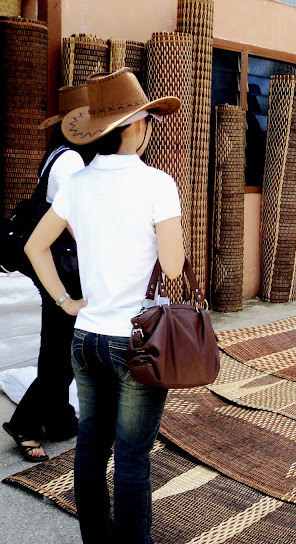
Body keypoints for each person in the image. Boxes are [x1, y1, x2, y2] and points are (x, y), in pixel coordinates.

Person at [24, 67, 184, 544]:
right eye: (148, 120)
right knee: (132, 458)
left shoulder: (77, 183)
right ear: (135, 126)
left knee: (91, 448)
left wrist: (66, 302)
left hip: (86, 335)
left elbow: (35, 247)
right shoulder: (158, 184)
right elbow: (173, 267)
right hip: (137, 342)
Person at [2, 84, 96, 462]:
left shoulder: (58, 155)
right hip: (61, 268)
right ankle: (25, 424)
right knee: (61, 352)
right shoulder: (70, 161)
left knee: (59, 346)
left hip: (57, 265)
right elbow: (75, 221)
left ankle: (58, 419)